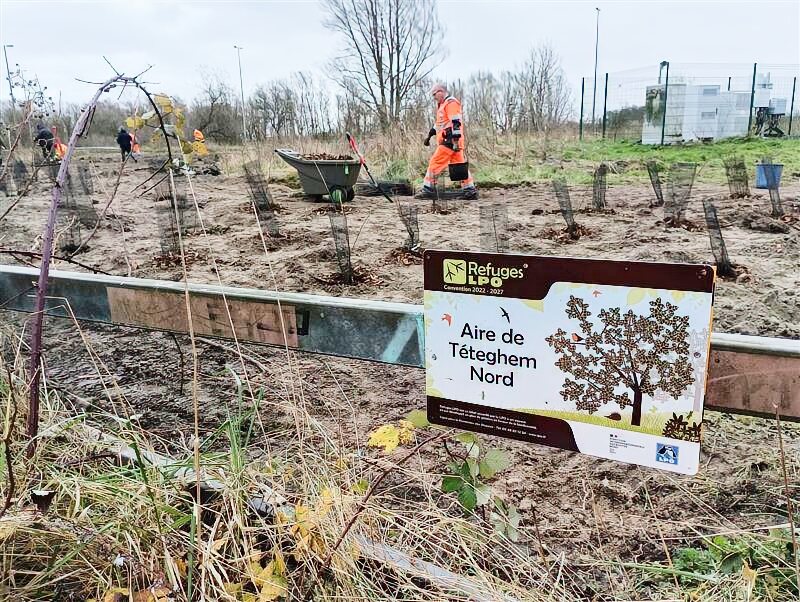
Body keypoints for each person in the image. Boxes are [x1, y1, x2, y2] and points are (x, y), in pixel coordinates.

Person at [421, 83, 477, 199]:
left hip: (450, 141)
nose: (434, 97)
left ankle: (428, 189)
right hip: (451, 141)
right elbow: (441, 123)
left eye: (434, 94)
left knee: (435, 162)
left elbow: (456, 122)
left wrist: (455, 140)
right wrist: (432, 132)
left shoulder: (451, 103)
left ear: (441, 91)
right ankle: (469, 190)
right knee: (458, 166)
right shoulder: (443, 105)